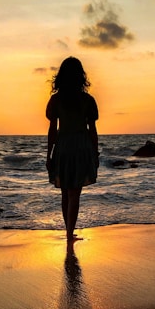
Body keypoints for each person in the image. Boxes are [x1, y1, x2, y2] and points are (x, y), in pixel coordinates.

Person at [46, 57, 99, 242]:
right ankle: (70, 234)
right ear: (80, 76)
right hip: (81, 147)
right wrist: (96, 153)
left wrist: (49, 155)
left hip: (63, 147)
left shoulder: (56, 100)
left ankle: (68, 232)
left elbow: (52, 130)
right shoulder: (87, 100)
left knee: (65, 192)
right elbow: (93, 131)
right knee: (75, 193)